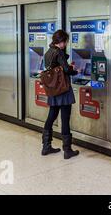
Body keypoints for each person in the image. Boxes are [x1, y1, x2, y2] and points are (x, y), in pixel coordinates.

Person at [41, 29, 79, 159]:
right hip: (63, 89)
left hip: (53, 89)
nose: (66, 44)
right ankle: (67, 150)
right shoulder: (58, 52)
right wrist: (76, 70)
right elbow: (67, 70)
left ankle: (46, 147)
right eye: (65, 42)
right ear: (61, 41)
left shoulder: (48, 52)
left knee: (51, 116)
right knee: (65, 119)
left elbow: (53, 68)